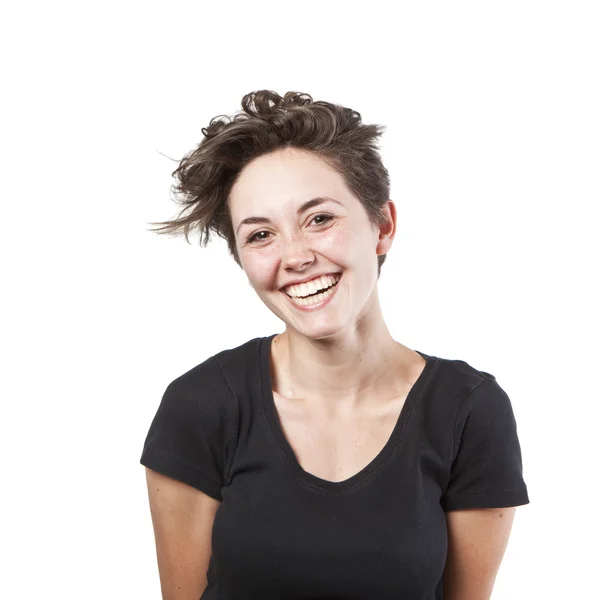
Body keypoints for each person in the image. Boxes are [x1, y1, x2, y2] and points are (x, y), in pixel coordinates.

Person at [140, 90, 529, 600]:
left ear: (382, 226)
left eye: (319, 218)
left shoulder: (467, 410)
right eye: (260, 235)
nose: (295, 256)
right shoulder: (202, 405)